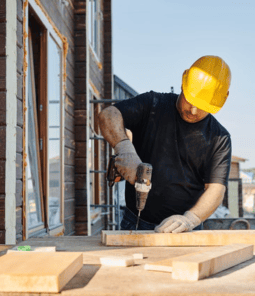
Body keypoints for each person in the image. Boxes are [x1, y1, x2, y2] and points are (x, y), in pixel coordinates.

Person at [98, 55, 232, 233]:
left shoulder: (219, 137)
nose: (193, 110)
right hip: (136, 222)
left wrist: (190, 219)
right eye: (190, 100)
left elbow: (216, 190)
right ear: (183, 84)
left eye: (202, 106)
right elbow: (109, 115)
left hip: (184, 229)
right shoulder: (153, 104)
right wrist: (124, 148)